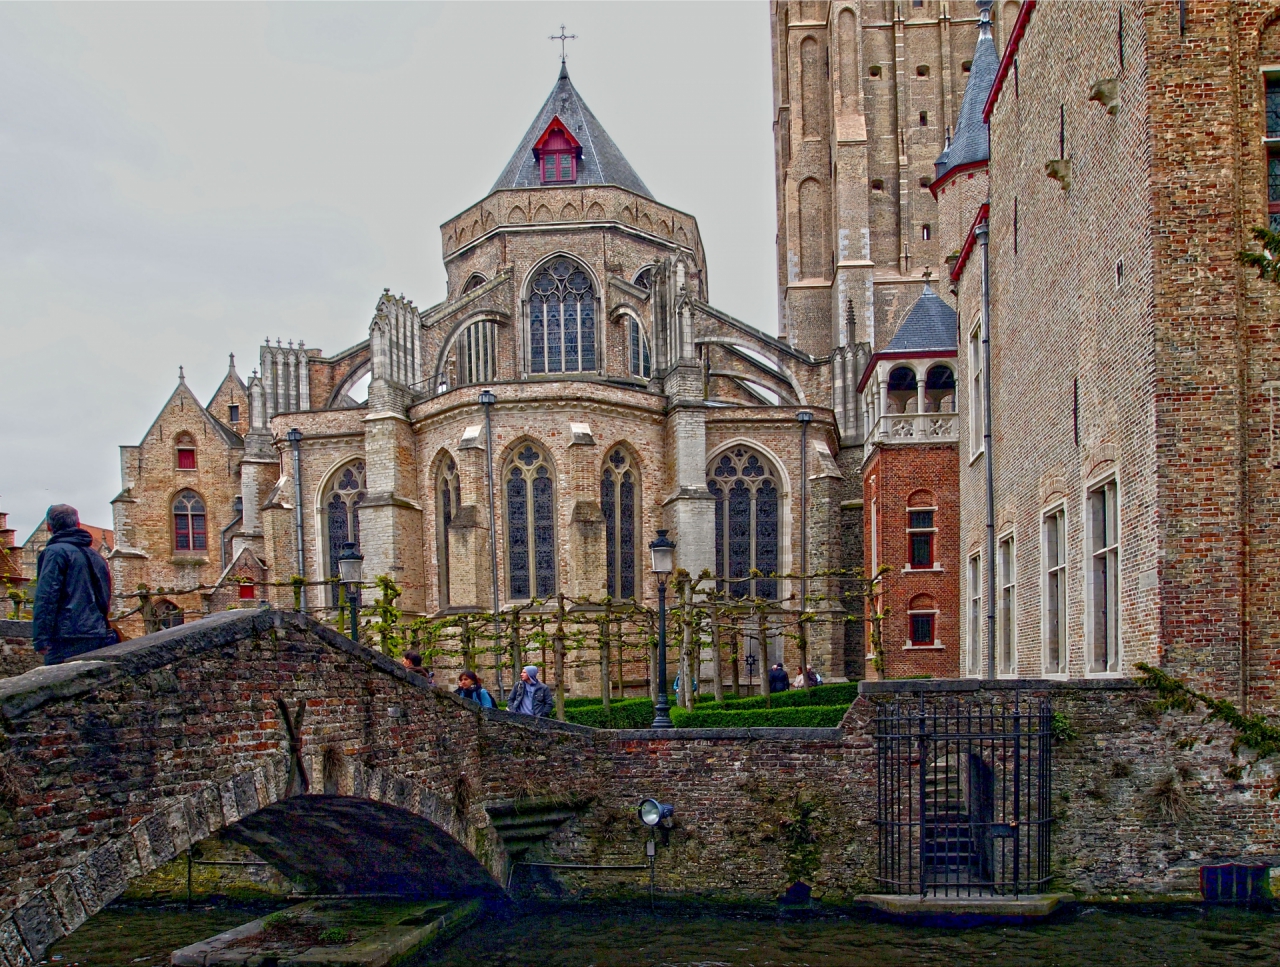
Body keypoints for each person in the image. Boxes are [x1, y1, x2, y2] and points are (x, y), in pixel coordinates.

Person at [33, 504, 118, 666]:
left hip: (66, 637)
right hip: (96, 633)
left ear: (49, 526)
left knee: (58, 686)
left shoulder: (54, 552)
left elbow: (47, 597)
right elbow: (104, 597)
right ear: (77, 524)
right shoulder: (96, 556)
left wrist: (41, 639)